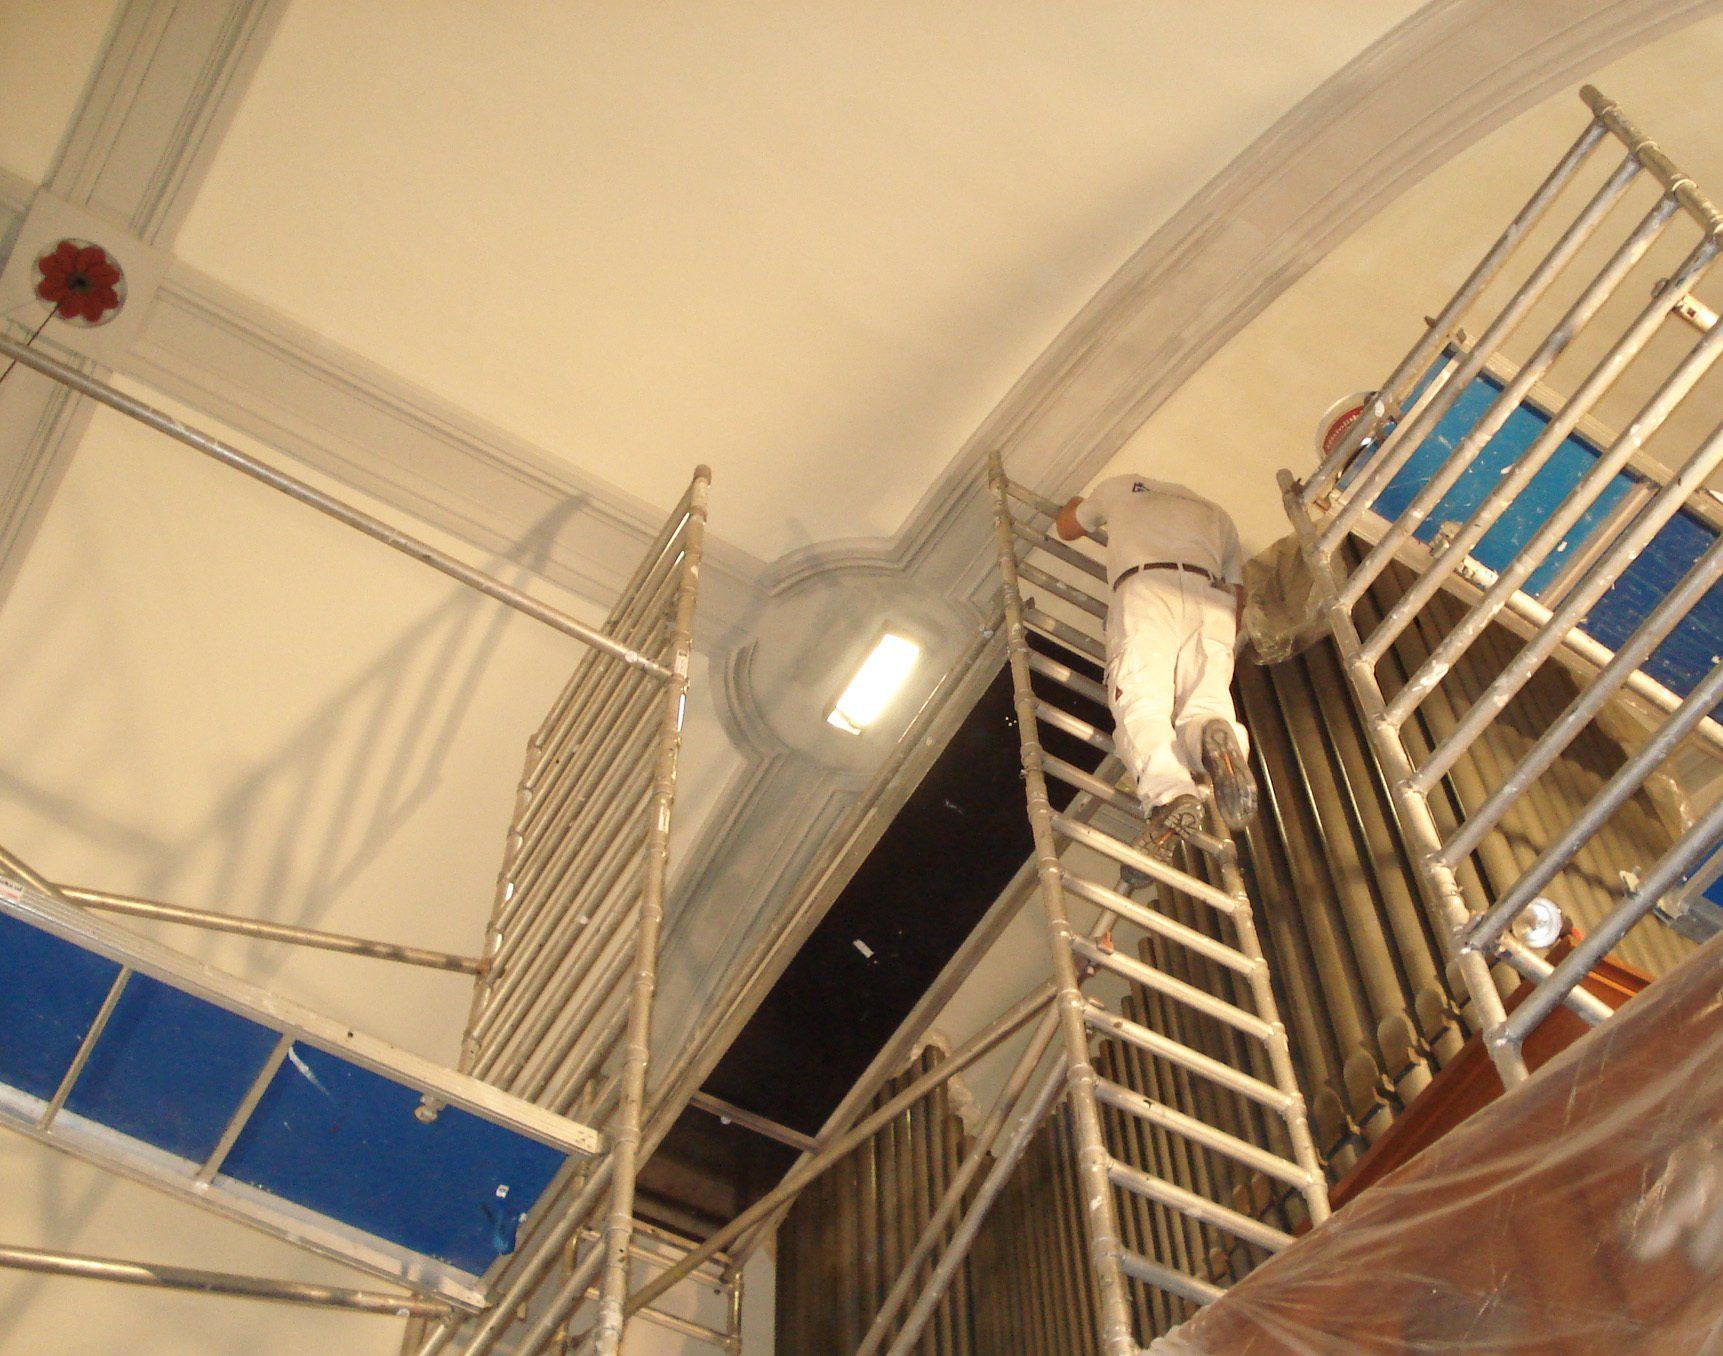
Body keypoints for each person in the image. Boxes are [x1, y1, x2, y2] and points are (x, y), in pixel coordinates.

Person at [1056, 474, 1257, 877]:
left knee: (1142, 702)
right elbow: (1238, 596)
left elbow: (1067, 528)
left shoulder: (1119, 487)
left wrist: (1076, 501)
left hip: (1146, 587)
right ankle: (1211, 731)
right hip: (1211, 596)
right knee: (1205, 700)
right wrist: (1215, 646)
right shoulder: (1218, 515)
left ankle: (1171, 796)